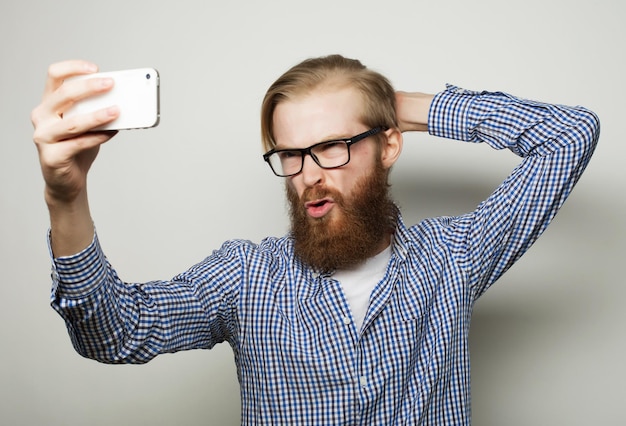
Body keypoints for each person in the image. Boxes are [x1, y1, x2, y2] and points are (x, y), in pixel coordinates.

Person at [32, 55, 600, 425]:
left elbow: (569, 137)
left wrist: (397, 105)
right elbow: (114, 334)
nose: (311, 173)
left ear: (389, 146)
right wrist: (66, 197)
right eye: (293, 154)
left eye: (333, 146)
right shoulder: (246, 277)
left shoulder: (452, 258)